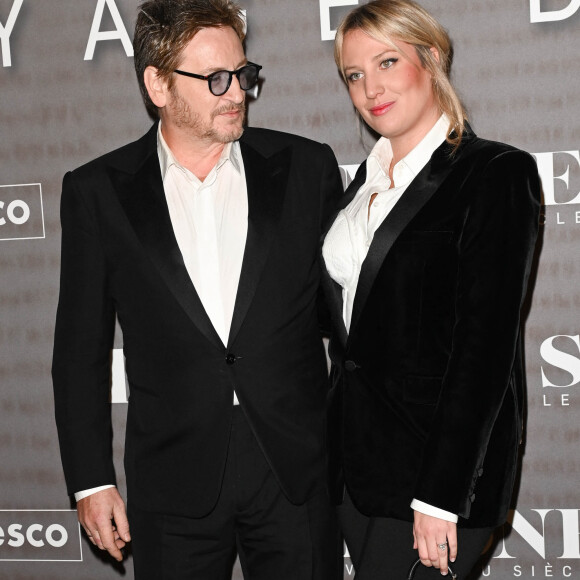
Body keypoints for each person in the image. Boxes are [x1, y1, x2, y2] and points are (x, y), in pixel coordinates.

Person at [51, 1, 344, 578]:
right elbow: (78, 353)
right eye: (214, 79)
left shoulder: (306, 169)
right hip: (172, 477)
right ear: (157, 85)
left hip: (294, 470)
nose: (236, 92)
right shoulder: (98, 193)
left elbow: (348, 325)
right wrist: (91, 479)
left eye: (242, 74)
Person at [321, 1, 541, 578]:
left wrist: (440, 496)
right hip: (356, 474)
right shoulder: (359, 190)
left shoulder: (492, 174)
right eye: (354, 74)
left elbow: (485, 351)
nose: (371, 88)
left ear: (432, 57)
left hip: (434, 482)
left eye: (388, 61)